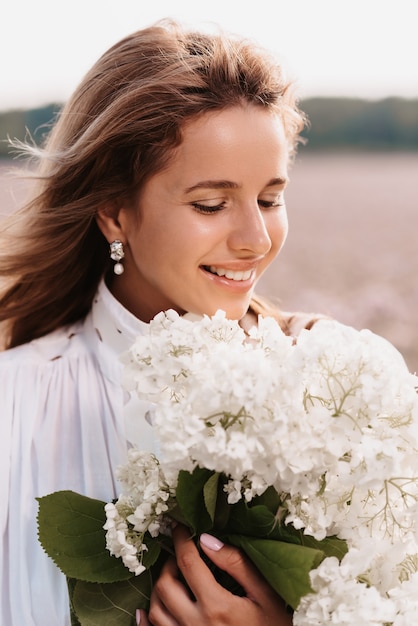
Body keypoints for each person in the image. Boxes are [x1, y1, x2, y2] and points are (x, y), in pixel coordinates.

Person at [0, 18, 320, 625]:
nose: (255, 240)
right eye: (210, 203)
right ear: (114, 213)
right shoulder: (10, 408)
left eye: (271, 198)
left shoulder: (336, 390)